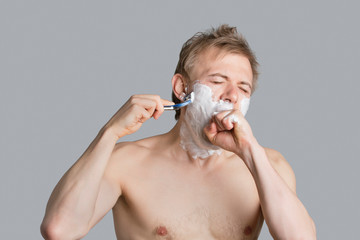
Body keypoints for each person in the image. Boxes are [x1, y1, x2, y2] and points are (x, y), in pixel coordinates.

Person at [41, 24, 316, 239]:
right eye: (218, 81)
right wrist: (110, 132)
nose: (232, 96)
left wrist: (250, 151)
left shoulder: (269, 166)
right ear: (182, 88)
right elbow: (60, 230)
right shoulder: (126, 162)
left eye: (243, 88)